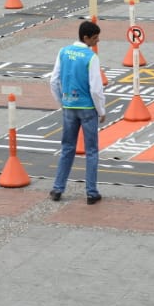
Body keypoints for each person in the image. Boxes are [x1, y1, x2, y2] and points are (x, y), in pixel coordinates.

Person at [48, 20, 105, 204]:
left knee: (67, 148)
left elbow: (54, 80)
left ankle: (57, 188)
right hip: (87, 108)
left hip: (69, 107)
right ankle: (91, 192)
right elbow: (96, 89)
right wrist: (101, 110)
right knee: (91, 151)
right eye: (95, 38)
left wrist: (62, 102)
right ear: (86, 37)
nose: (97, 42)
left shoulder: (63, 52)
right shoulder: (91, 57)